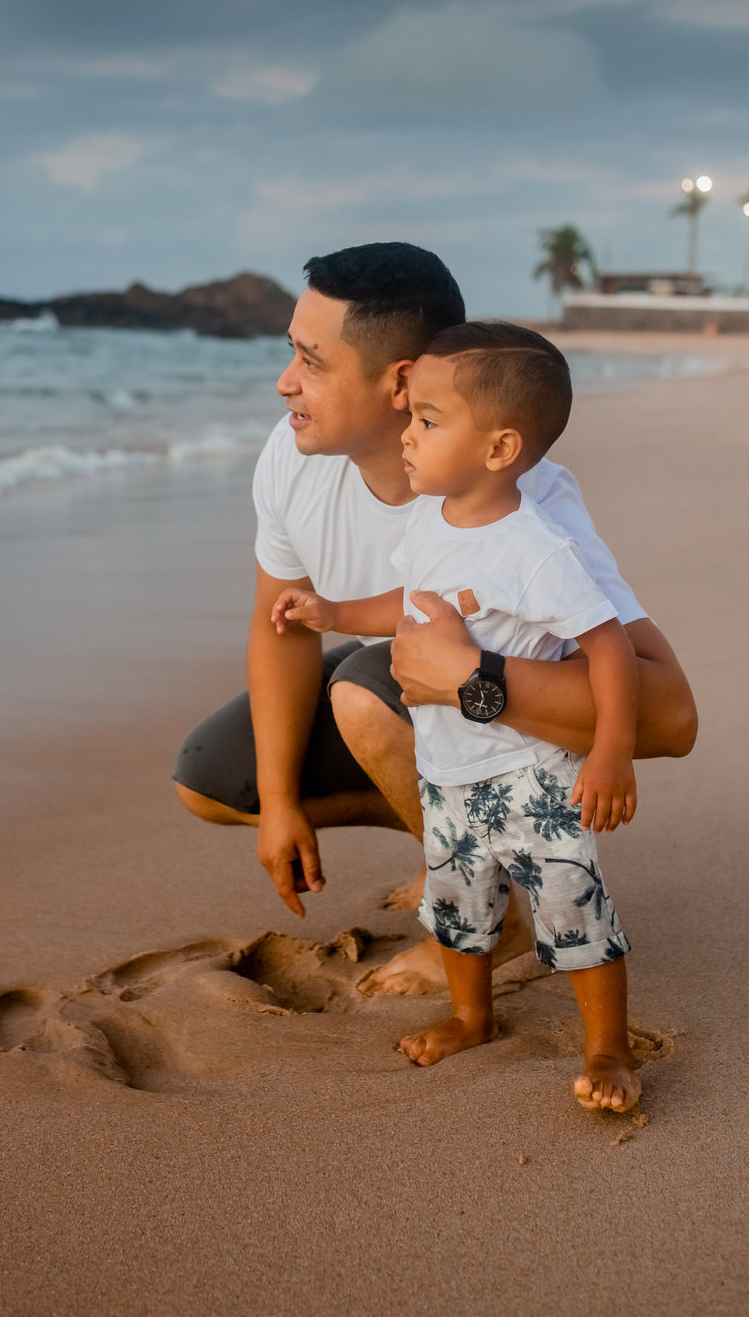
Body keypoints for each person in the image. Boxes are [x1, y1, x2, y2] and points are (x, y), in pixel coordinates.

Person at [172, 243, 696, 996]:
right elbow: (278, 624)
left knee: (364, 686)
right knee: (213, 781)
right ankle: (455, 838)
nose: (285, 382)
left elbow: (673, 717)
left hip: (491, 722)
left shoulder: (527, 505)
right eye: (292, 352)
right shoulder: (293, 455)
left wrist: (471, 679)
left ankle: (493, 913)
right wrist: (280, 803)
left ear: (399, 382)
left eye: (312, 362)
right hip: (419, 698)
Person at [270, 321, 641, 1111]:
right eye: (411, 416)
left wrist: (610, 753)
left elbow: (608, 645)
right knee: (457, 903)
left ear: (500, 449)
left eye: (429, 421)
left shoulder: (535, 549)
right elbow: (409, 602)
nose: (407, 433)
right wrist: (333, 611)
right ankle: (472, 1017)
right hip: (448, 768)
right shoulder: (432, 518)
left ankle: (608, 1048)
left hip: (532, 773)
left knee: (572, 906)